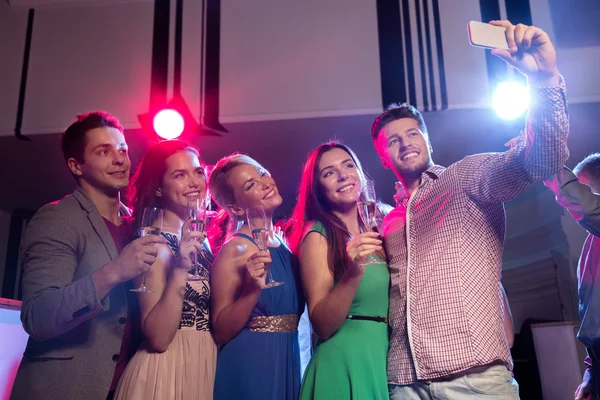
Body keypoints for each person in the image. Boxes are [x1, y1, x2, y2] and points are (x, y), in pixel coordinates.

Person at [371, 20, 568, 398]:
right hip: (402, 381)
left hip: (473, 380)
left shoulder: (464, 178)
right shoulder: (387, 221)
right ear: (383, 158)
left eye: (413, 133)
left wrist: (543, 82)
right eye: (392, 140)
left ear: (427, 140)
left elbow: (541, 162)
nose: (406, 142)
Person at [10, 112, 165, 400]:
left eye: (122, 149)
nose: (119, 159)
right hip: (65, 388)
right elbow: (37, 317)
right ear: (76, 165)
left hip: (126, 387)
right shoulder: (57, 218)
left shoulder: (137, 225)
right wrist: (114, 272)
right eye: (103, 151)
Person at [113, 140, 217, 399]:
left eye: (197, 172)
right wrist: (181, 269)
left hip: (202, 361)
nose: (194, 182)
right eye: (180, 175)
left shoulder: (203, 243)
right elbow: (158, 338)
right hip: (167, 369)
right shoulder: (153, 244)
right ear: (159, 188)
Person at [288, 142, 390, 399]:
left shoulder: (379, 227)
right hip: (344, 360)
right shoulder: (317, 235)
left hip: (382, 357)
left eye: (348, 165)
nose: (343, 175)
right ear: (318, 189)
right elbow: (321, 323)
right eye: (329, 172)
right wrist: (353, 273)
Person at [209, 154, 304, 400]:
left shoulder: (282, 243)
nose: (265, 183)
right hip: (252, 364)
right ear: (236, 208)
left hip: (288, 357)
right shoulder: (235, 250)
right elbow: (220, 331)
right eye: (250, 184)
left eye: (262, 173)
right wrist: (252, 290)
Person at [543, 153, 600, 400]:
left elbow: (587, 207)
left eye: (582, 187)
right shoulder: (591, 245)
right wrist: (591, 373)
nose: (572, 199)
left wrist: (545, 161)